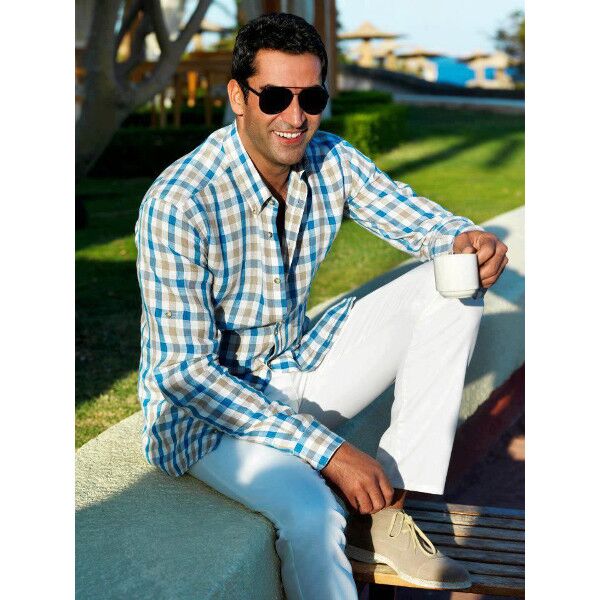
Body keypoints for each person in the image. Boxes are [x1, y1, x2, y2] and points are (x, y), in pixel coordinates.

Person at [135, 12, 508, 600]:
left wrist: (467, 241)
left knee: (453, 282)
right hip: (206, 418)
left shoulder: (330, 160)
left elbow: (416, 219)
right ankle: (354, 506)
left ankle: (389, 510)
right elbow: (185, 375)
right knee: (314, 515)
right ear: (237, 97)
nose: (294, 116)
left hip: (294, 366)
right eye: (275, 96)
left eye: (310, 97)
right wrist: (331, 452)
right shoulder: (180, 203)